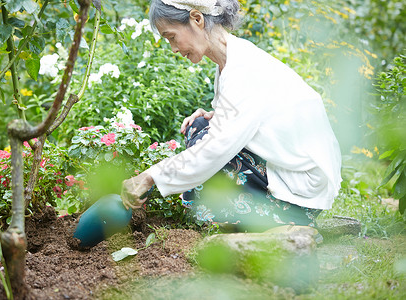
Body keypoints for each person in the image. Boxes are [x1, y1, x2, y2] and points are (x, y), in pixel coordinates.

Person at [121, 0, 342, 231]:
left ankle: (278, 220)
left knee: (213, 166)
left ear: (197, 19)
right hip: (287, 168)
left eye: (172, 37)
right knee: (199, 126)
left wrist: (149, 177)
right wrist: (218, 116)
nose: (174, 49)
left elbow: (215, 148)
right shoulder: (233, 59)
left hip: (300, 191)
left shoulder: (244, 69)